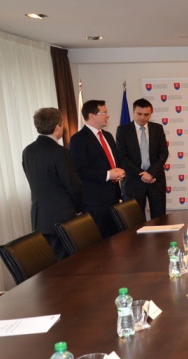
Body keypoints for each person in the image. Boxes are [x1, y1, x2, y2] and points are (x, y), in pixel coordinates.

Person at [21, 108, 84, 260]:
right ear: (57, 127)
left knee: (50, 264)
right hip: (62, 218)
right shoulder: (60, 152)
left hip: (40, 218)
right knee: (67, 264)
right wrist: (79, 209)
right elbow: (73, 186)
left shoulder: (27, 151)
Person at [70, 99, 125, 238]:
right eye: (104, 113)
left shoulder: (108, 136)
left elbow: (114, 161)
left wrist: (119, 171)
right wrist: (108, 175)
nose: (108, 116)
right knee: (100, 242)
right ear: (91, 115)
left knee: (117, 239)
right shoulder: (78, 139)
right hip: (95, 201)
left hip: (114, 197)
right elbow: (80, 170)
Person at [115, 98, 168, 219]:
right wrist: (143, 175)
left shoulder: (158, 129)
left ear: (151, 114)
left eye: (146, 114)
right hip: (133, 181)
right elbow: (122, 157)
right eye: (139, 114)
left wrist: (150, 173)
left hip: (155, 179)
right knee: (135, 219)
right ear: (133, 112)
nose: (142, 117)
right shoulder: (123, 130)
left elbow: (163, 153)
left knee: (159, 218)